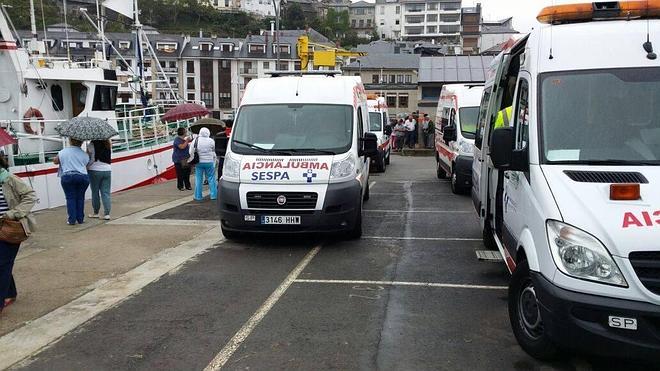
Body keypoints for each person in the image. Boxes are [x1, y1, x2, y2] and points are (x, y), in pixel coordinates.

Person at [0, 154, 37, 314]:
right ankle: (10, 293)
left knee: (2, 264)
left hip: (8, 227)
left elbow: (30, 196)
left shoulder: (9, 179)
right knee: (4, 264)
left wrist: (14, 213)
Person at [54, 138, 90, 225]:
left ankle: (72, 219)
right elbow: (86, 164)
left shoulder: (62, 152)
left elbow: (55, 161)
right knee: (80, 198)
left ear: (70, 141)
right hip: (82, 177)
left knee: (70, 198)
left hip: (68, 176)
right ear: (81, 142)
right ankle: (80, 219)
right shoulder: (84, 154)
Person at [87, 140, 112, 220]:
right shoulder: (108, 143)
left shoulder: (92, 144)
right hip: (107, 170)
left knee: (95, 192)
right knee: (106, 193)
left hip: (94, 170)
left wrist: (87, 166)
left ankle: (96, 212)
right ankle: (107, 214)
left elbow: (91, 159)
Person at [191, 127, 217, 201]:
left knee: (199, 179)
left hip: (199, 162)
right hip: (209, 162)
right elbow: (213, 150)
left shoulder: (195, 140)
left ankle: (198, 196)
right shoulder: (211, 140)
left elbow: (190, 151)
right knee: (211, 178)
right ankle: (213, 195)